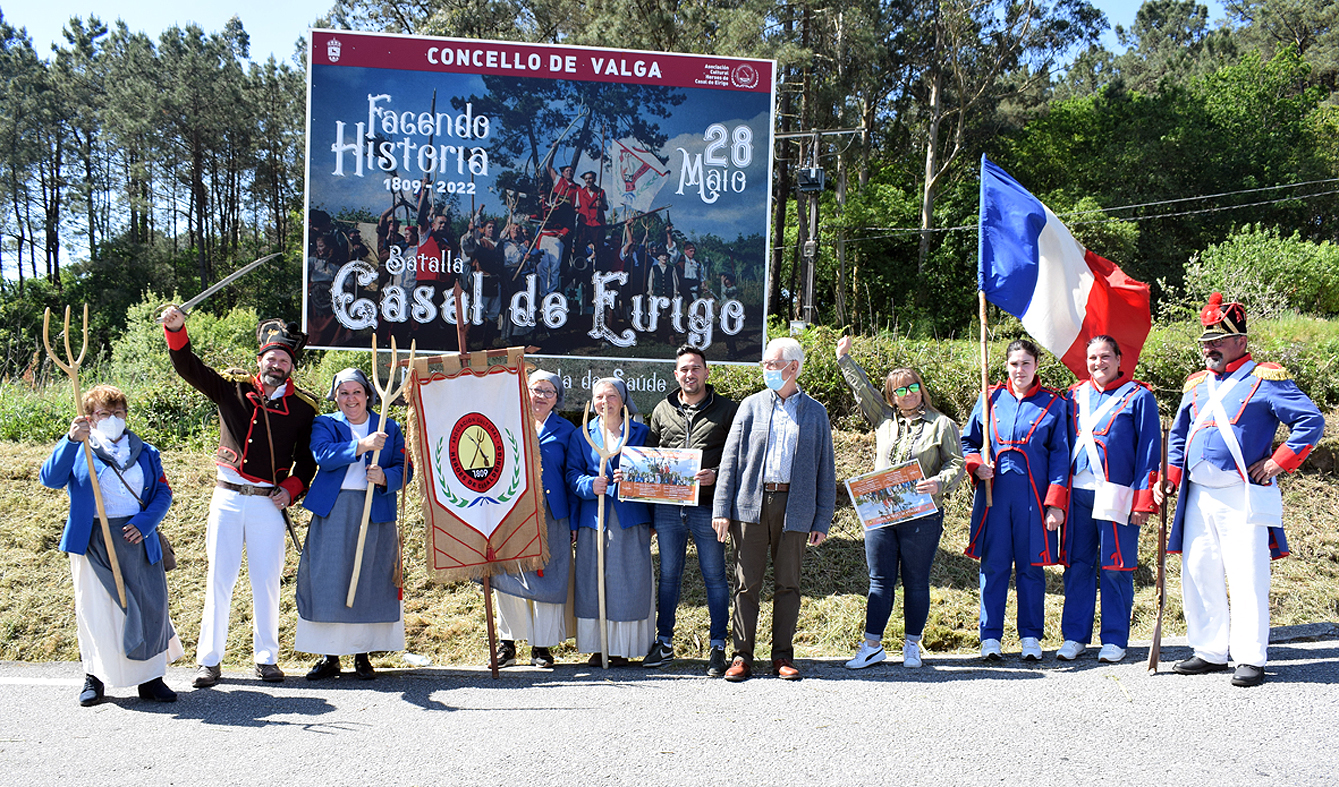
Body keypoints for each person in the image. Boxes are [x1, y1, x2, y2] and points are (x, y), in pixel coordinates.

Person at [1156, 294, 1323, 687]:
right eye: (1206, 342)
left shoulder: (1266, 378)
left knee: (1247, 575)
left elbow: (1310, 421)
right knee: (1199, 570)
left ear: (1240, 342)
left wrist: (1276, 462)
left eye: (1217, 341)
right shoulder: (1197, 385)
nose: (1209, 348)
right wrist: (1171, 476)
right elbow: (1179, 436)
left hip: (1240, 492)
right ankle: (1210, 650)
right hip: (1198, 492)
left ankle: (1249, 656)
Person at [161, 306, 318, 687]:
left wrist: (291, 490)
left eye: (283, 359)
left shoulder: (303, 408)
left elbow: (306, 463)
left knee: (266, 581)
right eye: (271, 357)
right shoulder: (231, 388)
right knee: (220, 579)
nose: (276, 364)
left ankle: (267, 659)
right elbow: (188, 367)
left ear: (290, 367)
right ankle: (209, 661)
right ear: (260, 359)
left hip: (268, 502)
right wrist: (177, 330)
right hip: (228, 496)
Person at [40, 385, 183, 706]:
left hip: (137, 536)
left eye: (118, 413)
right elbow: (49, 478)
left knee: (150, 606)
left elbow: (162, 493)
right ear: (90, 417)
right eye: (104, 414)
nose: (112, 419)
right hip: (92, 539)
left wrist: (145, 523)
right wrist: (70, 440)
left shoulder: (146, 452)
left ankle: (151, 680)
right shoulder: (80, 449)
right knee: (98, 611)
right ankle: (95, 677)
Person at [835, 337, 964, 669]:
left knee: (916, 581)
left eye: (912, 387)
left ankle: (912, 644)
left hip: (921, 515)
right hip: (880, 515)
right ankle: (873, 645)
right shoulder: (884, 419)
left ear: (921, 388)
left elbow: (956, 464)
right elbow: (863, 390)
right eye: (898, 391)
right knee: (879, 580)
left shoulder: (942, 424)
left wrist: (940, 483)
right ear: (891, 397)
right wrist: (844, 359)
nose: (907, 394)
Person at [713, 337, 836, 681]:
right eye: (765, 364)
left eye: (771, 364)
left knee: (788, 585)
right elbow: (731, 460)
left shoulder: (815, 412)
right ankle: (741, 656)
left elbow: (826, 469)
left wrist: (822, 517)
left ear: (792, 368)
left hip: (795, 506)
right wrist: (722, 508)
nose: (765, 369)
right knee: (745, 584)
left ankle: (782, 655)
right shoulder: (750, 406)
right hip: (750, 505)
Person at [297, 368, 409, 681]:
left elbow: (405, 467)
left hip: (374, 508)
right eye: (343, 393)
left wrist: (386, 477)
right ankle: (329, 655)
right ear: (336, 396)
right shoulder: (326, 423)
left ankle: (363, 654)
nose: (350, 399)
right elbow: (323, 455)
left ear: (367, 395)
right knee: (330, 579)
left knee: (368, 580)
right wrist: (361, 446)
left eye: (356, 392)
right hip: (334, 508)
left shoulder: (388, 426)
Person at [961, 339, 1068, 661]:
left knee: (1031, 569)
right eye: (1013, 364)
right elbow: (969, 442)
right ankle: (990, 637)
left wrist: (1055, 503)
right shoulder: (990, 397)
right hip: (995, 497)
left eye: (1025, 363)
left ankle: (1031, 637)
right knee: (993, 568)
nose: (1019, 370)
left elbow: (1061, 456)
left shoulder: (1054, 404)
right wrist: (975, 465)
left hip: (1034, 500)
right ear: (1006, 366)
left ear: (1036, 366)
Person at [1057, 336, 1161, 664]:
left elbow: (1149, 451)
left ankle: (1115, 638)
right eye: (1092, 358)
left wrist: (1144, 501)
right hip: (1077, 494)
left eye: (1105, 357)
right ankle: (1075, 636)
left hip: (1118, 493)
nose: (1098, 363)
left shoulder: (1139, 396)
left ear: (1119, 359)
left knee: (1117, 567)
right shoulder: (1073, 396)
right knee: (1077, 566)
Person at [644, 345, 738, 676]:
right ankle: (664, 642)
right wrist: (650, 507)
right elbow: (652, 461)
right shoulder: (661, 410)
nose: (690, 374)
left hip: (708, 507)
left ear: (706, 372)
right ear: (676, 374)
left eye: (696, 368)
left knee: (714, 576)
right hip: (669, 509)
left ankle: (717, 646)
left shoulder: (727, 410)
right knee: (668, 576)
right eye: (684, 369)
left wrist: (717, 476)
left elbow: (738, 457)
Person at [490, 369, 577, 668]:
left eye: (547, 391)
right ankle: (507, 645)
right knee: (508, 575)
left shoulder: (567, 431)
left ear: (556, 399)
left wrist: (573, 522)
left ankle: (541, 647)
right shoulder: (504, 424)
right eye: (535, 389)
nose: (540, 396)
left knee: (548, 578)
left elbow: (571, 477)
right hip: (510, 514)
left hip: (552, 514)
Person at [566, 378, 655, 666]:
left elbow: (655, 473)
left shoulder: (641, 433)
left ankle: (625, 645)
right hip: (595, 517)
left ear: (623, 399)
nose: (605, 401)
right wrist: (590, 485)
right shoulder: (583, 435)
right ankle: (599, 645)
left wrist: (633, 481)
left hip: (631, 518)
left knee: (628, 579)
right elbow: (572, 474)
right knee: (594, 579)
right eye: (599, 397)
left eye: (611, 395)